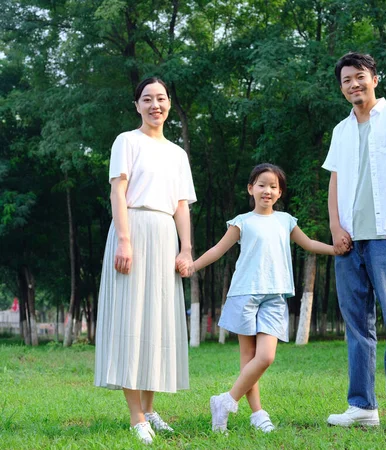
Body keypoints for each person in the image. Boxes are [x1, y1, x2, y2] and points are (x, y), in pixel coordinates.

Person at [179, 163, 344, 433]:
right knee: (248, 357)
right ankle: (257, 414)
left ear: (280, 194)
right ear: (250, 189)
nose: (267, 190)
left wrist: (336, 250)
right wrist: (193, 266)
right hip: (245, 293)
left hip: (275, 295)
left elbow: (310, 245)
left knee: (265, 357)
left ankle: (226, 401)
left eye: (273, 187)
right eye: (262, 185)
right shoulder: (242, 222)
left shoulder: (286, 221)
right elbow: (218, 250)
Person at [322, 52, 386, 431]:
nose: (354, 84)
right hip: (349, 240)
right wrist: (335, 227)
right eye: (347, 79)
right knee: (356, 326)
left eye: (360, 77)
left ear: (374, 79)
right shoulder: (341, 130)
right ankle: (362, 406)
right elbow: (334, 181)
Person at [94, 77, 196, 445]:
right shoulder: (127, 141)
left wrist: (185, 249)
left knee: (157, 323)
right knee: (130, 319)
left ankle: (150, 409)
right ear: (137, 105)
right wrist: (124, 240)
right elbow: (117, 192)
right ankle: (136, 417)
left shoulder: (177, 153)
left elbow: (182, 205)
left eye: (162, 98)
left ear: (170, 104)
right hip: (133, 230)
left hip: (165, 234)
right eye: (148, 99)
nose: (156, 105)